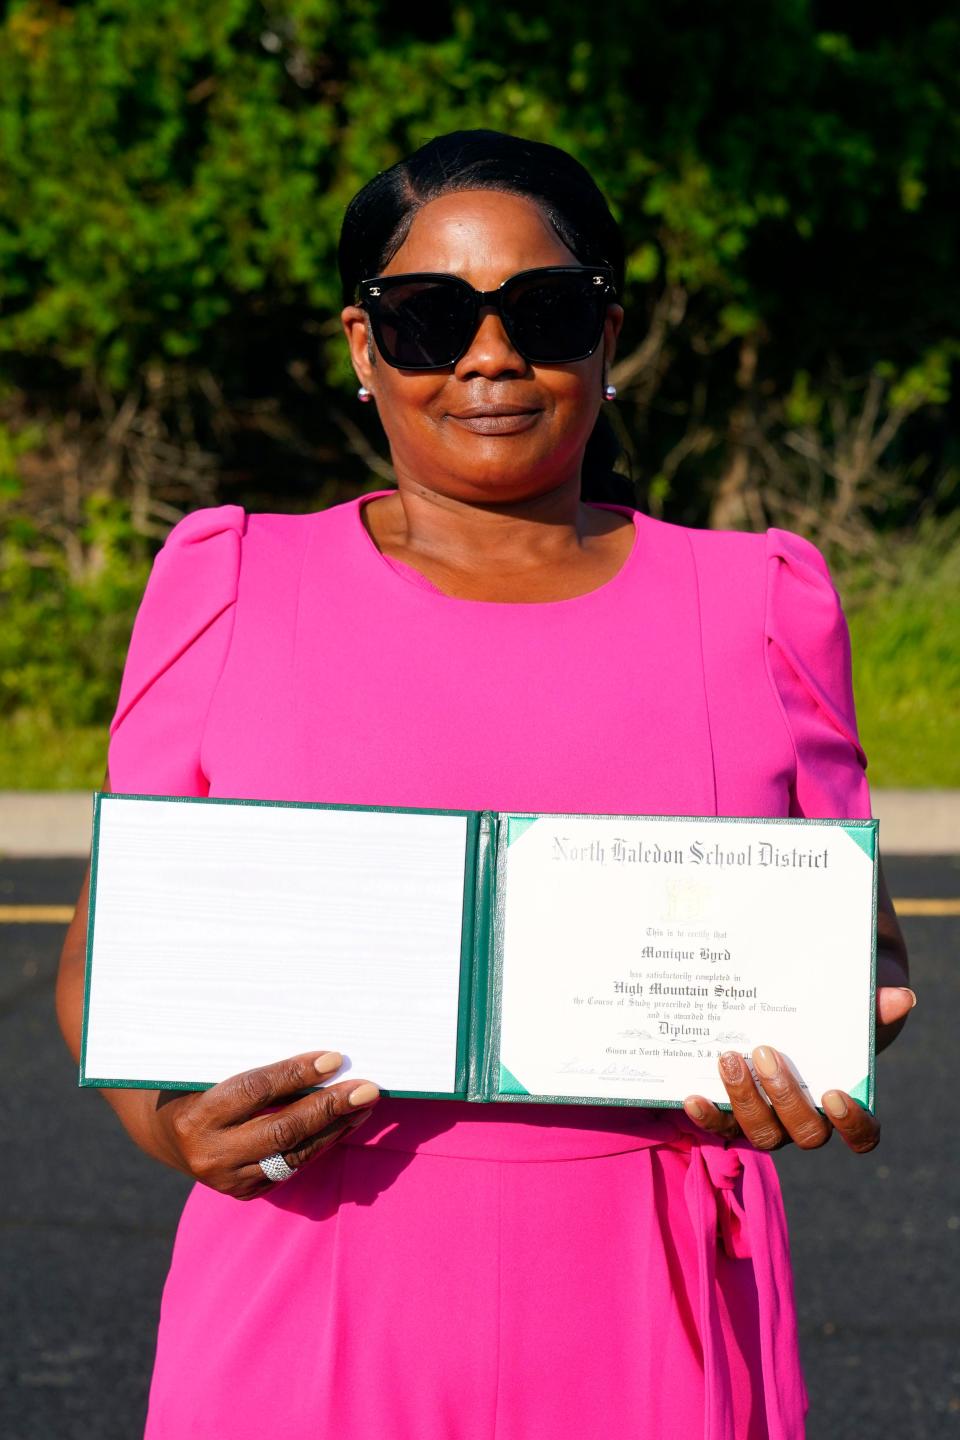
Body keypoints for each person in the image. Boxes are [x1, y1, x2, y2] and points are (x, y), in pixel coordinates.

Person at [56, 129, 915, 1440]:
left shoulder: (758, 603)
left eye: (548, 312)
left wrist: (835, 1040)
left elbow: (859, 948)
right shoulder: (231, 584)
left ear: (608, 335)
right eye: (430, 318)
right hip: (312, 1280)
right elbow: (106, 952)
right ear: (362, 346)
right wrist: (176, 1130)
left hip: (657, 1300)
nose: (491, 356)